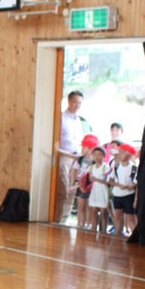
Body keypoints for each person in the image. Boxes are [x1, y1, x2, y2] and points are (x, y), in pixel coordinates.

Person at [54, 90, 87, 224]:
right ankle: (56, 220)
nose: (77, 105)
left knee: (72, 191)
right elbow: (55, 142)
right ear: (69, 101)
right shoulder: (61, 117)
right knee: (63, 189)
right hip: (64, 157)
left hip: (76, 159)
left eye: (79, 103)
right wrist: (66, 154)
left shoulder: (79, 120)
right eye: (75, 102)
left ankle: (64, 220)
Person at [110, 142, 138, 237]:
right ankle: (118, 232)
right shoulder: (116, 166)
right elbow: (111, 180)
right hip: (117, 194)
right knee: (117, 215)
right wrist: (118, 185)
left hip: (128, 195)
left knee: (130, 216)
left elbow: (136, 182)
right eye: (120, 152)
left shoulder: (133, 168)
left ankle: (134, 235)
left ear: (129, 155)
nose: (121, 154)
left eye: (124, 152)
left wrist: (130, 186)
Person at [74, 134, 99, 230]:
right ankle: (80, 224)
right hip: (80, 185)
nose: (82, 149)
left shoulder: (94, 162)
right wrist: (75, 182)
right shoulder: (80, 159)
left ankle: (88, 225)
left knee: (90, 207)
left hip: (90, 187)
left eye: (84, 147)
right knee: (80, 206)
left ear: (91, 149)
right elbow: (75, 171)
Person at [86, 146, 111, 237]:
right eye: (95, 154)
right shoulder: (91, 167)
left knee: (103, 212)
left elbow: (108, 181)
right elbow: (87, 180)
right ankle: (93, 230)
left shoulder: (106, 167)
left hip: (103, 191)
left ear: (104, 156)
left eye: (100, 155)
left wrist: (96, 179)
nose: (97, 157)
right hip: (94, 191)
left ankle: (104, 231)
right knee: (93, 211)